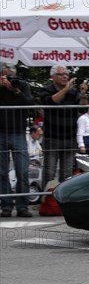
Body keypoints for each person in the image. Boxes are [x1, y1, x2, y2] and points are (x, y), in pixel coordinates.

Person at [37, 65, 89, 187]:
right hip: (52, 138)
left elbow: (83, 107)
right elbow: (50, 101)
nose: (65, 76)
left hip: (69, 137)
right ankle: (46, 202)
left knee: (66, 174)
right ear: (53, 77)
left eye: (67, 74)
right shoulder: (47, 90)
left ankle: (62, 203)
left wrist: (83, 94)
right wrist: (65, 89)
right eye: (61, 74)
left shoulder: (73, 91)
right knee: (49, 173)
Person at [0, 63, 35, 218]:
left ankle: (22, 206)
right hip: (0, 133)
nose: (9, 79)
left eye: (11, 76)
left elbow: (30, 104)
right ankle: (6, 206)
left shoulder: (23, 86)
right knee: (1, 172)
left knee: (22, 171)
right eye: (6, 76)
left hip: (18, 133)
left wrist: (16, 90)